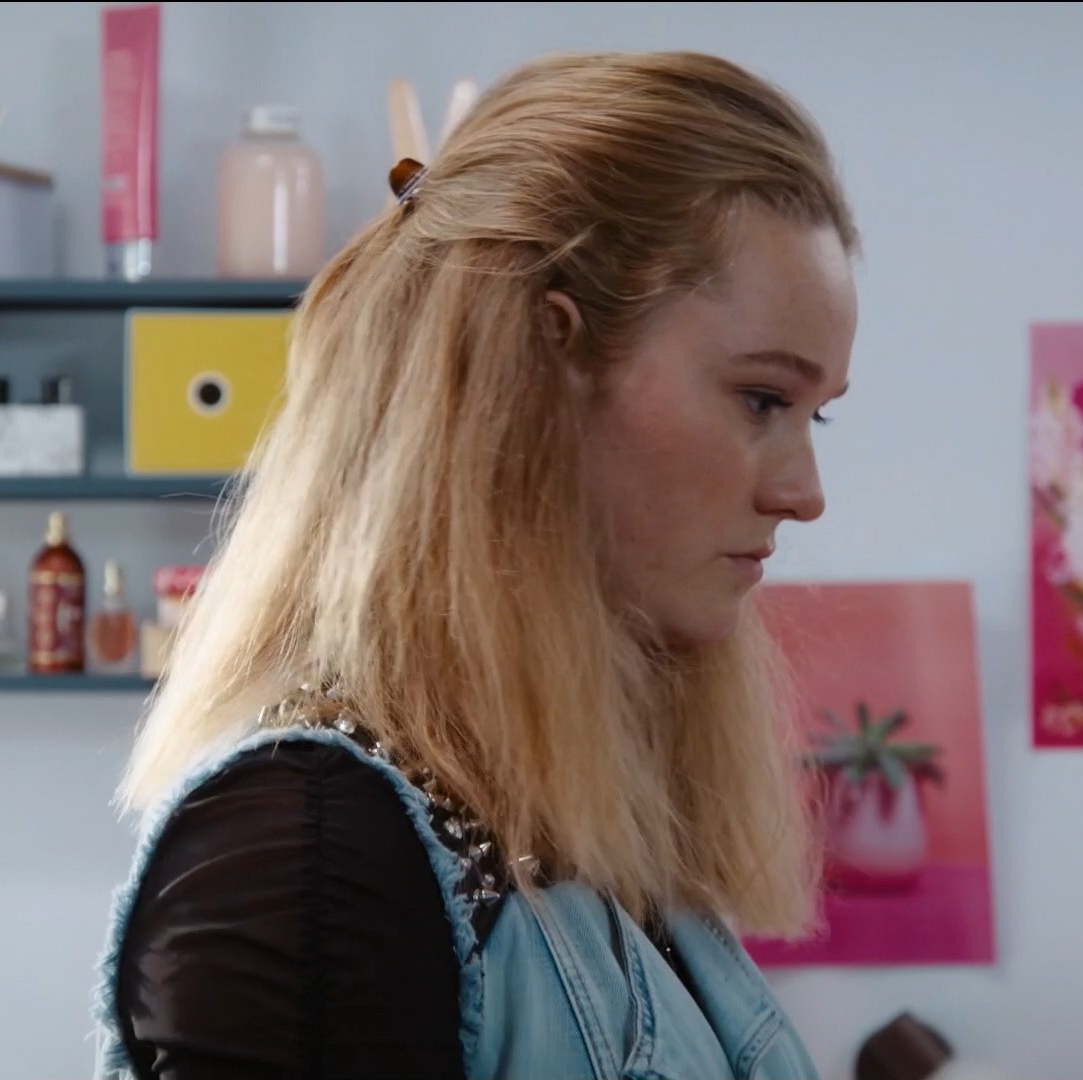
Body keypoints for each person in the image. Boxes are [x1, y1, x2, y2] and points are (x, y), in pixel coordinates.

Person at [90, 48, 860, 1080]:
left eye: (815, 416)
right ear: (549, 361)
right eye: (762, 399)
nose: (804, 493)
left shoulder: (577, 829)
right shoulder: (309, 855)